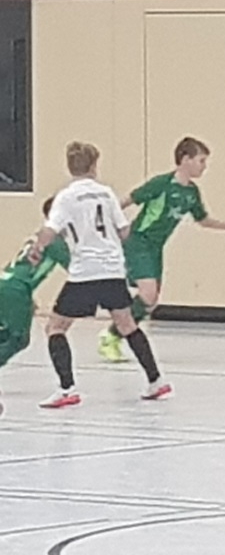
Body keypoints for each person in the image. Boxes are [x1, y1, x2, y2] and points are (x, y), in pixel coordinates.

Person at [31, 142, 171, 408]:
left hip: (85, 272)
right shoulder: (106, 194)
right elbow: (124, 231)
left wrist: (37, 248)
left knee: (55, 327)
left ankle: (66, 388)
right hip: (112, 270)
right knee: (127, 324)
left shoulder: (66, 197)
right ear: (94, 166)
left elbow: (50, 230)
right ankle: (156, 381)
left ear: (70, 167)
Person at [98, 136, 225, 362]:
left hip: (156, 248)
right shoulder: (161, 184)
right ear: (185, 159)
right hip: (139, 241)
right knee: (148, 293)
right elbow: (127, 200)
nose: (204, 166)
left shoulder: (192, 193)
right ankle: (111, 336)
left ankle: (114, 332)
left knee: (150, 302)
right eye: (201, 161)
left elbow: (203, 220)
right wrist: (104, 220)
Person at [0, 198, 70, 413]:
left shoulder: (39, 235)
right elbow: (77, 268)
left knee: (5, 335)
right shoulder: (56, 241)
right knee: (19, 339)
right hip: (17, 290)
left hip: (7, 283)